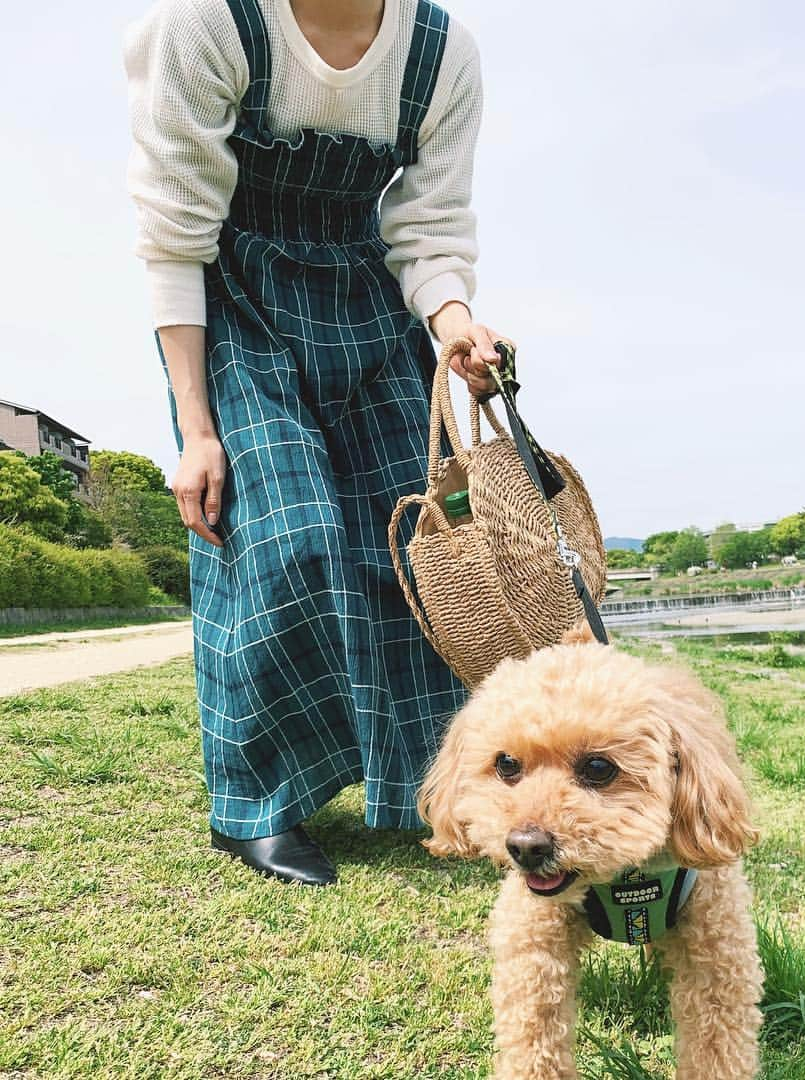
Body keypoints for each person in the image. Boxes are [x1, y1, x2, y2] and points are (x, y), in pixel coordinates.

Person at [123, 0, 508, 885]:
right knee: (286, 537)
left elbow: (430, 227)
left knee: (415, 543)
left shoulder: (442, 52)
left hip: (369, 306)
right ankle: (253, 807)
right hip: (241, 304)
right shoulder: (209, 24)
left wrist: (457, 324)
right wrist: (196, 429)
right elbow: (173, 234)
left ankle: (436, 787)